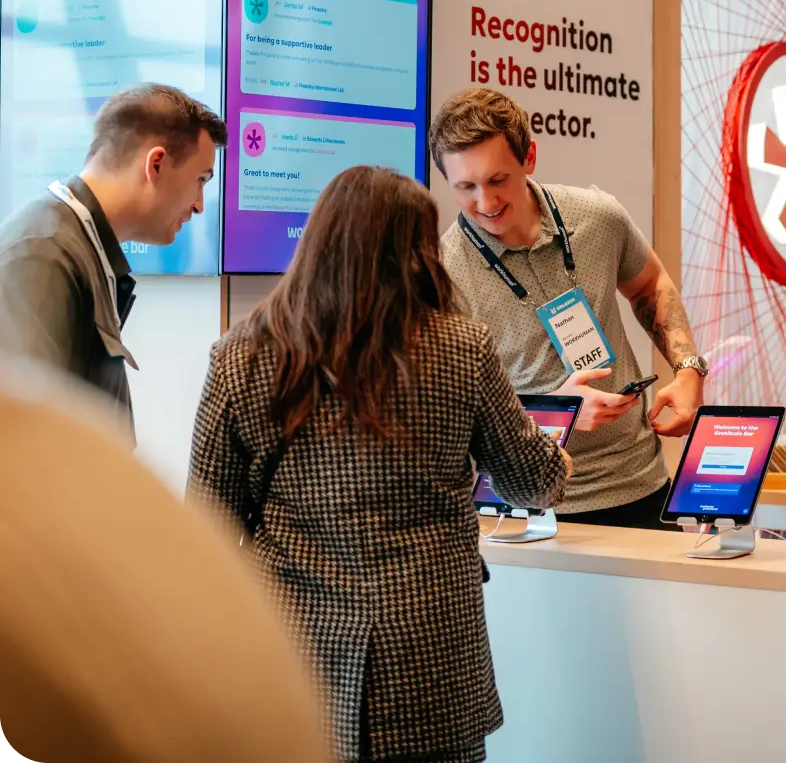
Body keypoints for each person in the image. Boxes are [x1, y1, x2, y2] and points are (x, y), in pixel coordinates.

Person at [187, 166, 570, 763]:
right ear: (415, 252)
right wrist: (558, 445)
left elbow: (206, 529)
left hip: (291, 647)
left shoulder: (240, 356)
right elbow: (533, 482)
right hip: (429, 647)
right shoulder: (460, 347)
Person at [0, 352, 328, 763]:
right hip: (410, 666)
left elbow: (214, 512)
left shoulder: (247, 358)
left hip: (293, 645)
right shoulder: (54, 436)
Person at [430, 88, 709, 531]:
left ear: (529, 158)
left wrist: (689, 369)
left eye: (498, 179)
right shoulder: (441, 274)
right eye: (465, 187)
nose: (485, 202)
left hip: (639, 485)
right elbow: (451, 416)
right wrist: (556, 411)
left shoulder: (597, 217)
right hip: (524, 512)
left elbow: (650, 284)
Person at [0, 83, 227, 435]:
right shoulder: (43, 251)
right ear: (156, 164)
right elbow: (24, 441)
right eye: (200, 180)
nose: (199, 204)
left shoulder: (80, 244)